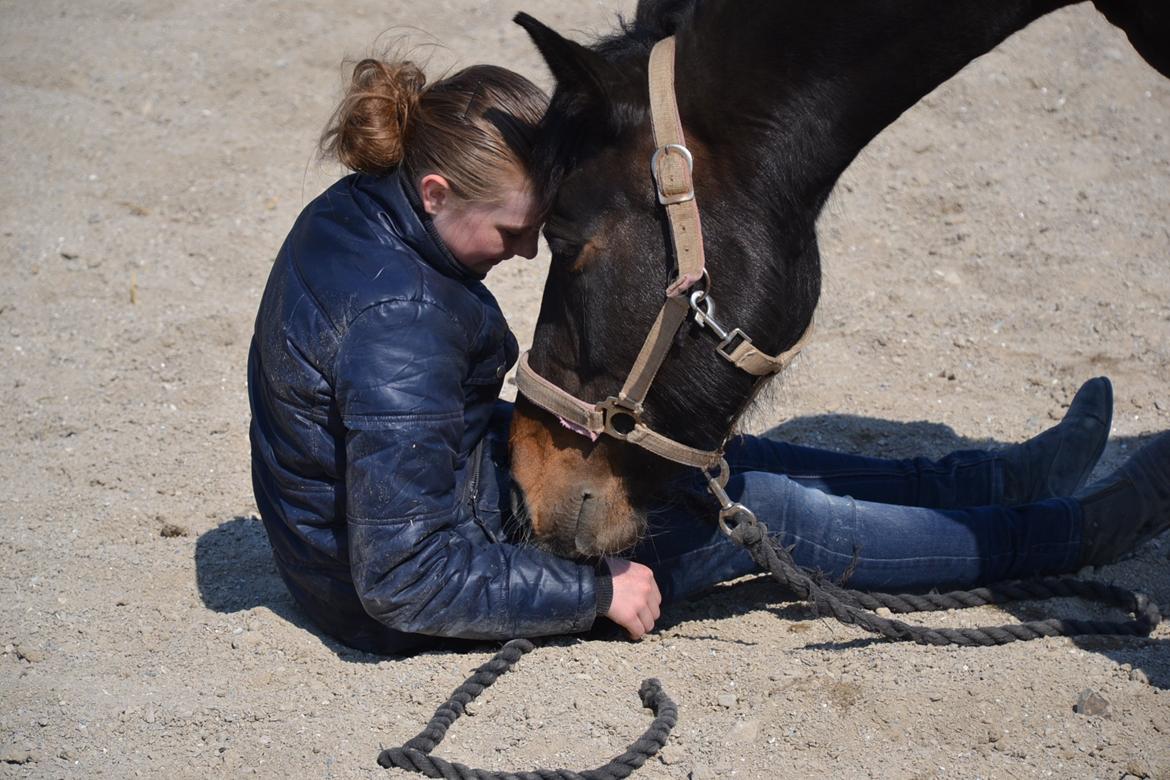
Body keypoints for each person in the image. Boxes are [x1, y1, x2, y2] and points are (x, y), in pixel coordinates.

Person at [248, 56, 1170, 655]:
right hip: (413, 576)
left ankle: (1001, 479)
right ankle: (1067, 533)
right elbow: (405, 577)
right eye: (515, 232)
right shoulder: (398, 326)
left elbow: (401, 453)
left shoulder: (369, 215)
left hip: (437, 489)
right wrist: (590, 590)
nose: (529, 253)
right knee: (765, 511)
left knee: (705, 458)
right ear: (441, 190)